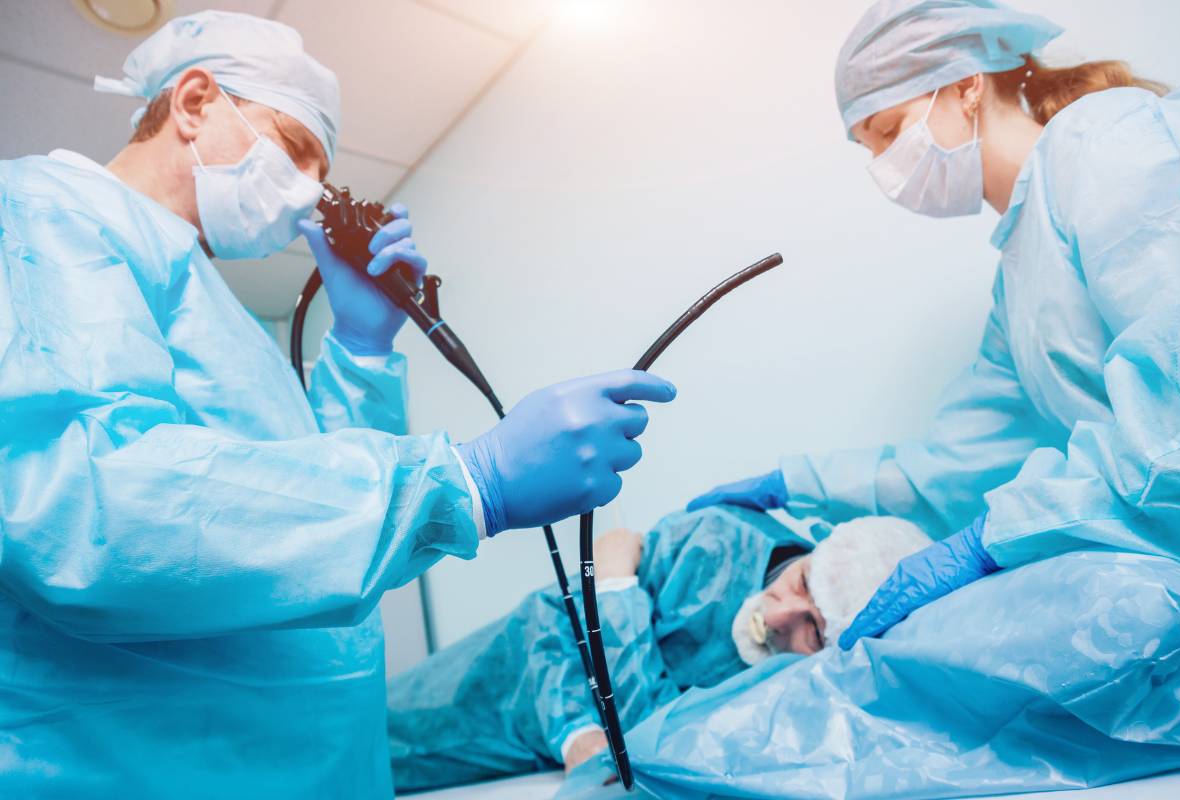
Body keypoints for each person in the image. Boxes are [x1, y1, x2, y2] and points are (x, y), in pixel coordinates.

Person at [0, 11, 674, 798]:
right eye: (292, 150)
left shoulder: (211, 304)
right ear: (192, 102)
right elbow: (92, 508)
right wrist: (465, 482)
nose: (310, 189)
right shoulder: (44, 215)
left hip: (320, 765)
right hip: (153, 767)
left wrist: (361, 345)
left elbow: (300, 520)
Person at [690, 0, 1180, 651]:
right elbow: (961, 466)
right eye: (866, 147)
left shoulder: (1103, 143)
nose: (881, 165)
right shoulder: (1018, 278)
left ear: (966, 86)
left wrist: (988, 542)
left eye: (888, 129)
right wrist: (795, 481)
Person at [386, 508, 929, 791]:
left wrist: (621, 587)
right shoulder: (714, 543)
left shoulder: (800, 693)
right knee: (369, 746)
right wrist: (576, 730)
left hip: (538, 760)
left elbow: (662, 739)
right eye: (805, 583)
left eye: (814, 628)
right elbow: (558, 622)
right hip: (503, 685)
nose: (779, 615)